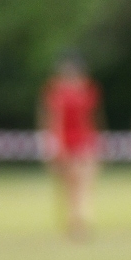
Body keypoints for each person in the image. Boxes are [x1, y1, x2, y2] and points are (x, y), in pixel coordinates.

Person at [39, 51, 101, 241]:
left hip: (84, 142)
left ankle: (81, 220)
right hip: (63, 143)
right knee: (67, 186)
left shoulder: (87, 91)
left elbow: (93, 118)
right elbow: (50, 118)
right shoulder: (55, 91)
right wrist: (51, 143)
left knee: (83, 183)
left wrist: (95, 143)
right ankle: (72, 221)